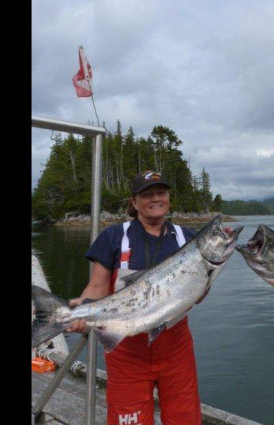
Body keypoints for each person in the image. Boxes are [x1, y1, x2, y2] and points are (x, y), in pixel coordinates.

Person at [67, 170, 208, 425]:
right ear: (134, 202)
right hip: (126, 348)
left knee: (185, 418)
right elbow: (97, 286)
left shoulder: (187, 238)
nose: (156, 198)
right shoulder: (114, 236)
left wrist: (208, 271)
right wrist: (85, 309)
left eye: (161, 192)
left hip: (176, 348)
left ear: (168, 198)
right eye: (147, 194)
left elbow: (197, 298)